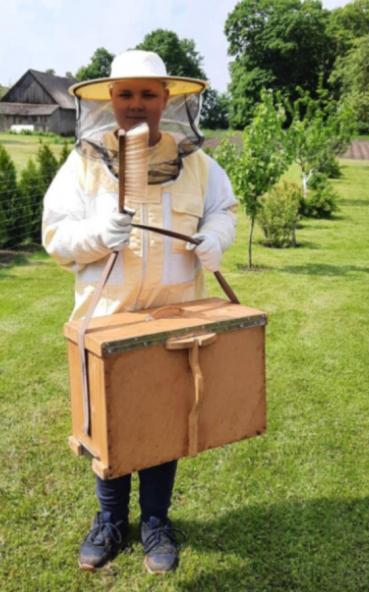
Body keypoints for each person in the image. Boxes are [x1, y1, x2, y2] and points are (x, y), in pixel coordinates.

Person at [42, 50, 237, 574]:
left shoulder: (196, 163)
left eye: (148, 94)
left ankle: (155, 521)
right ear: (109, 99)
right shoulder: (84, 164)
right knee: (109, 424)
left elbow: (224, 210)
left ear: (167, 100)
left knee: (163, 425)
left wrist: (215, 239)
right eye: (125, 93)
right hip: (106, 319)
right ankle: (110, 521)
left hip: (174, 322)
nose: (135, 104)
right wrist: (97, 237)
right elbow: (57, 238)